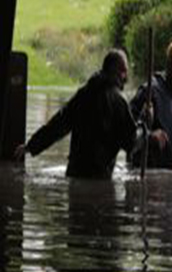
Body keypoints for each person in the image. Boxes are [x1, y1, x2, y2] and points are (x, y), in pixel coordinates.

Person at [14, 49, 137, 178]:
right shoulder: (119, 101)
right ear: (119, 71)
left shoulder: (84, 94)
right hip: (100, 179)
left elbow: (58, 125)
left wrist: (30, 146)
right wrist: (146, 129)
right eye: (125, 72)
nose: (126, 78)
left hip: (75, 172)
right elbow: (131, 142)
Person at [130, 39, 172, 171]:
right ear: (170, 64)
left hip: (167, 174)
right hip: (147, 173)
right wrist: (149, 136)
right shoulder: (149, 91)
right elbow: (127, 132)